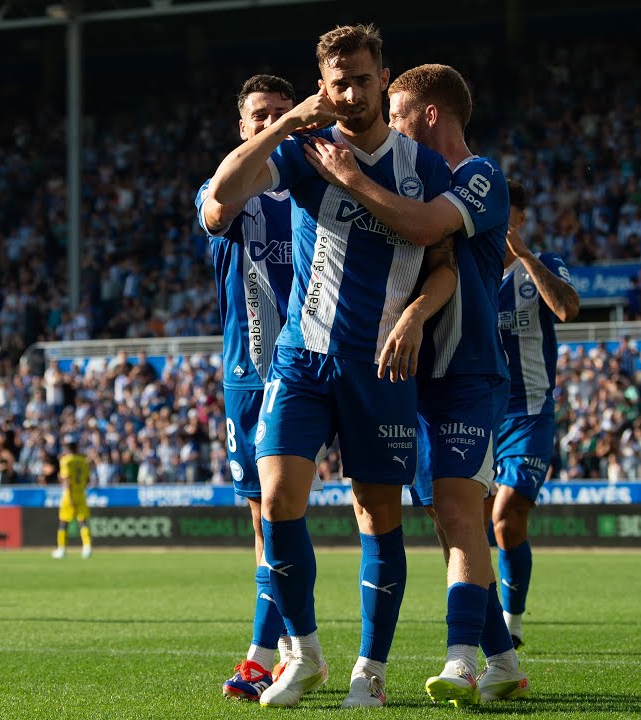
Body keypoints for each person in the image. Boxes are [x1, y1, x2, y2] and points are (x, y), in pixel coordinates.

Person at [207, 23, 457, 708]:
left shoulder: (423, 167)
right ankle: (305, 653)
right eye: (337, 82)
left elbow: (444, 269)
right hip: (302, 358)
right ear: (324, 86)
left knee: (377, 516)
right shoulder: (304, 152)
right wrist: (287, 120)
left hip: (379, 366)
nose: (350, 92)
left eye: (361, 79)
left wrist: (413, 316)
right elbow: (226, 191)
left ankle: (369, 670)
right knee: (279, 502)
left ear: (383, 79)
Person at [304, 63, 529, 705]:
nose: (391, 126)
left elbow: (426, 230)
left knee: (459, 510)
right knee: (445, 519)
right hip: (410, 378)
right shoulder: (415, 179)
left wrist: (348, 178)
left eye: (397, 112)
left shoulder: (477, 177)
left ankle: (461, 661)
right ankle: (504, 661)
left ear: (428, 114)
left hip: (467, 373)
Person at [196, 73, 298, 702]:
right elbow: (215, 211)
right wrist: (276, 139)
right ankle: (286, 648)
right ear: (242, 125)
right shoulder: (227, 181)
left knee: (289, 514)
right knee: (266, 524)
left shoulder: (319, 180)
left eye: (282, 113)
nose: (270, 123)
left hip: (311, 369)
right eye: (259, 115)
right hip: (247, 375)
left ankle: (271, 653)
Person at [488, 180, 579, 649]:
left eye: (506, 213)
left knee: (506, 517)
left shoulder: (543, 266)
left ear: (519, 218)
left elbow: (567, 308)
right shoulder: (471, 267)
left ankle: (512, 622)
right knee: (479, 523)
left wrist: (524, 254)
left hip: (530, 413)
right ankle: (479, 621)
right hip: (481, 413)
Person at [52, 439, 93, 559]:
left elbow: (66, 479)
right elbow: (87, 480)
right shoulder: (83, 461)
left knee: (63, 522)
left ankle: (62, 549)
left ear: (68, 449)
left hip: (69, 494)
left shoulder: (66, 460)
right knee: (83, 521)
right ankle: (87, 547)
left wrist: (69, 495)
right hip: (81, 493)